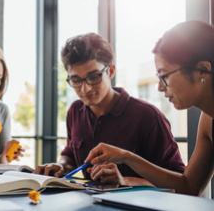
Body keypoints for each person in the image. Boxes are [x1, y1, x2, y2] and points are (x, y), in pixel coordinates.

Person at [34, 33, 185, 187]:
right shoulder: (75, 111)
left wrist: (126, 181)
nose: (85, 88)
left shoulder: (148, 116)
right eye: (76, 80)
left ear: (111, 71)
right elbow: (70, 155)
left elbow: (178, 182)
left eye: (93, 77)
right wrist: (62, 166)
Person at [86, 21, 214, 196]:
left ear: (202, 70)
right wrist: (126, 156)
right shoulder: (207, 120)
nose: (160, 87)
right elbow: (189, 187)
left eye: (165, 76)